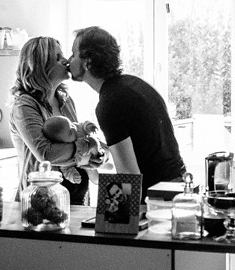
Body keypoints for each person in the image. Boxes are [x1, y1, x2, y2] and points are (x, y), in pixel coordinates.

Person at [67, 26, 187, 192]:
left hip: (157, 195)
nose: (69, 60)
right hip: (179, 186)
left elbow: (129, 177)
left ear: (88, 62)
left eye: (73, 54)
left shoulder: (109, 104)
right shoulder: (135, 84)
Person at [9, 36, 105, 205]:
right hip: (40, 201)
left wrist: (98, 155)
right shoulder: (24, 106)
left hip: (77, 198)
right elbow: (46, 154)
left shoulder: (66, 100)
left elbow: (77, 138)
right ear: (40, 66)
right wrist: (86, 147)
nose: (66, 61)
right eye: (58, 58)